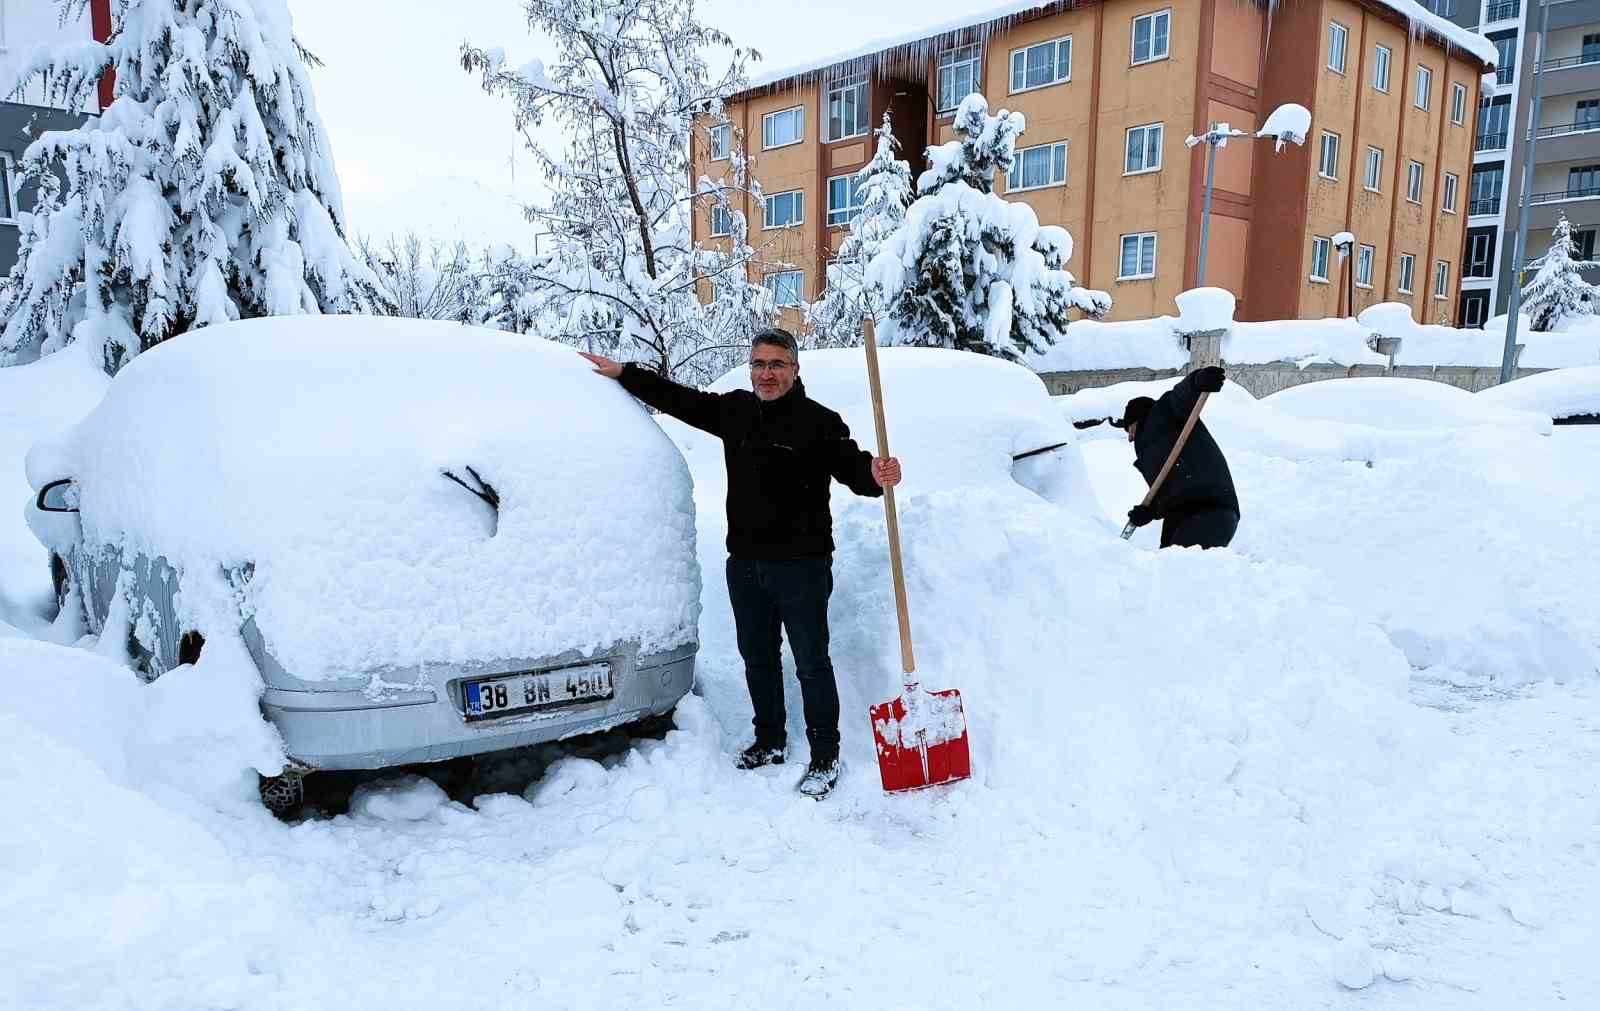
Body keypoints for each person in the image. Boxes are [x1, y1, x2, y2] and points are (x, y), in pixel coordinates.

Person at [580, 328, 901, 799]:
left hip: (803, 566)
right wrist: (626, 374)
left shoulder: (819, 422)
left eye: (776, 364)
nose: (766, 374)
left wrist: (875, 474)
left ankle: (825, 754)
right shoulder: (735, 412)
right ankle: (769, 739)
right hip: (746, 564)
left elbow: (854, 470)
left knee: (811, 662)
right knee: (758, 658)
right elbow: (679, 400)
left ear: (795, 370)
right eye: (759, 365)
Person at [1118, 365, 1240, 549]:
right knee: (1165, 565)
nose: (1129, 437)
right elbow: (1168, 489)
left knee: (1177, 569)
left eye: (1129, 428)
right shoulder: (1149, 450)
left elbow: (1181, 395)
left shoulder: (1164, 412)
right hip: (1183, 513)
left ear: (1135, 419)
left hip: (1211, 507)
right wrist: (1148, 512)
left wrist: (1197, 380)